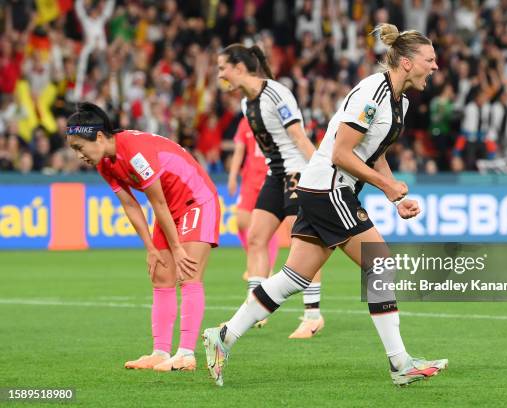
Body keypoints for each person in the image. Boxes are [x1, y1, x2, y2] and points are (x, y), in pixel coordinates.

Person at [202, 23, 447, 387]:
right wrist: (386, 184)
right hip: (329, 188)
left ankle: (223, 336)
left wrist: (394, 194)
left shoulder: (400, 101)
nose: (436, 66)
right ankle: (400, 363)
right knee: (379, 263)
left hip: (321, 189)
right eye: (430, 59)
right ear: (408, 63)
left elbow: (374, 154)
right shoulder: (373, 94)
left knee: (293, 278)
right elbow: (342, 153)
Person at [66, 102, 219, 371]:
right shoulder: (105, 164)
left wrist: (177, 248)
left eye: (79, 147)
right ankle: (160, 353)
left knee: (188, 273)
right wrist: (150, 247)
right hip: (170, 210)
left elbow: (157, 202)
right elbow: (130, 205)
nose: (79, 155)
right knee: (160, 274)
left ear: (99, 137)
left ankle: (185, 354)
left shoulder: (135, 152)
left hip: (195, 200)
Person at [216, 43, 324, 338]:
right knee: (255, 237)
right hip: (274, 175)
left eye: (222, 67)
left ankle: (313, 315)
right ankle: (254, 309)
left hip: (297, 173)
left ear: (239, 69)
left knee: (303, 241)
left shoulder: (276, 93)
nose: (220, 74)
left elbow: (299, 138)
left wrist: (321, 172)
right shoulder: (245, 103)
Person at [227, 116, 279, 283]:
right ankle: (255, 260)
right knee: (241, 221)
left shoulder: (274, 118)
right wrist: (233, 176)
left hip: (270, 176)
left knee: (266, 224)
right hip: (250, 179)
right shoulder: (245, 121)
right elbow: (239, 150)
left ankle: (267, 266)